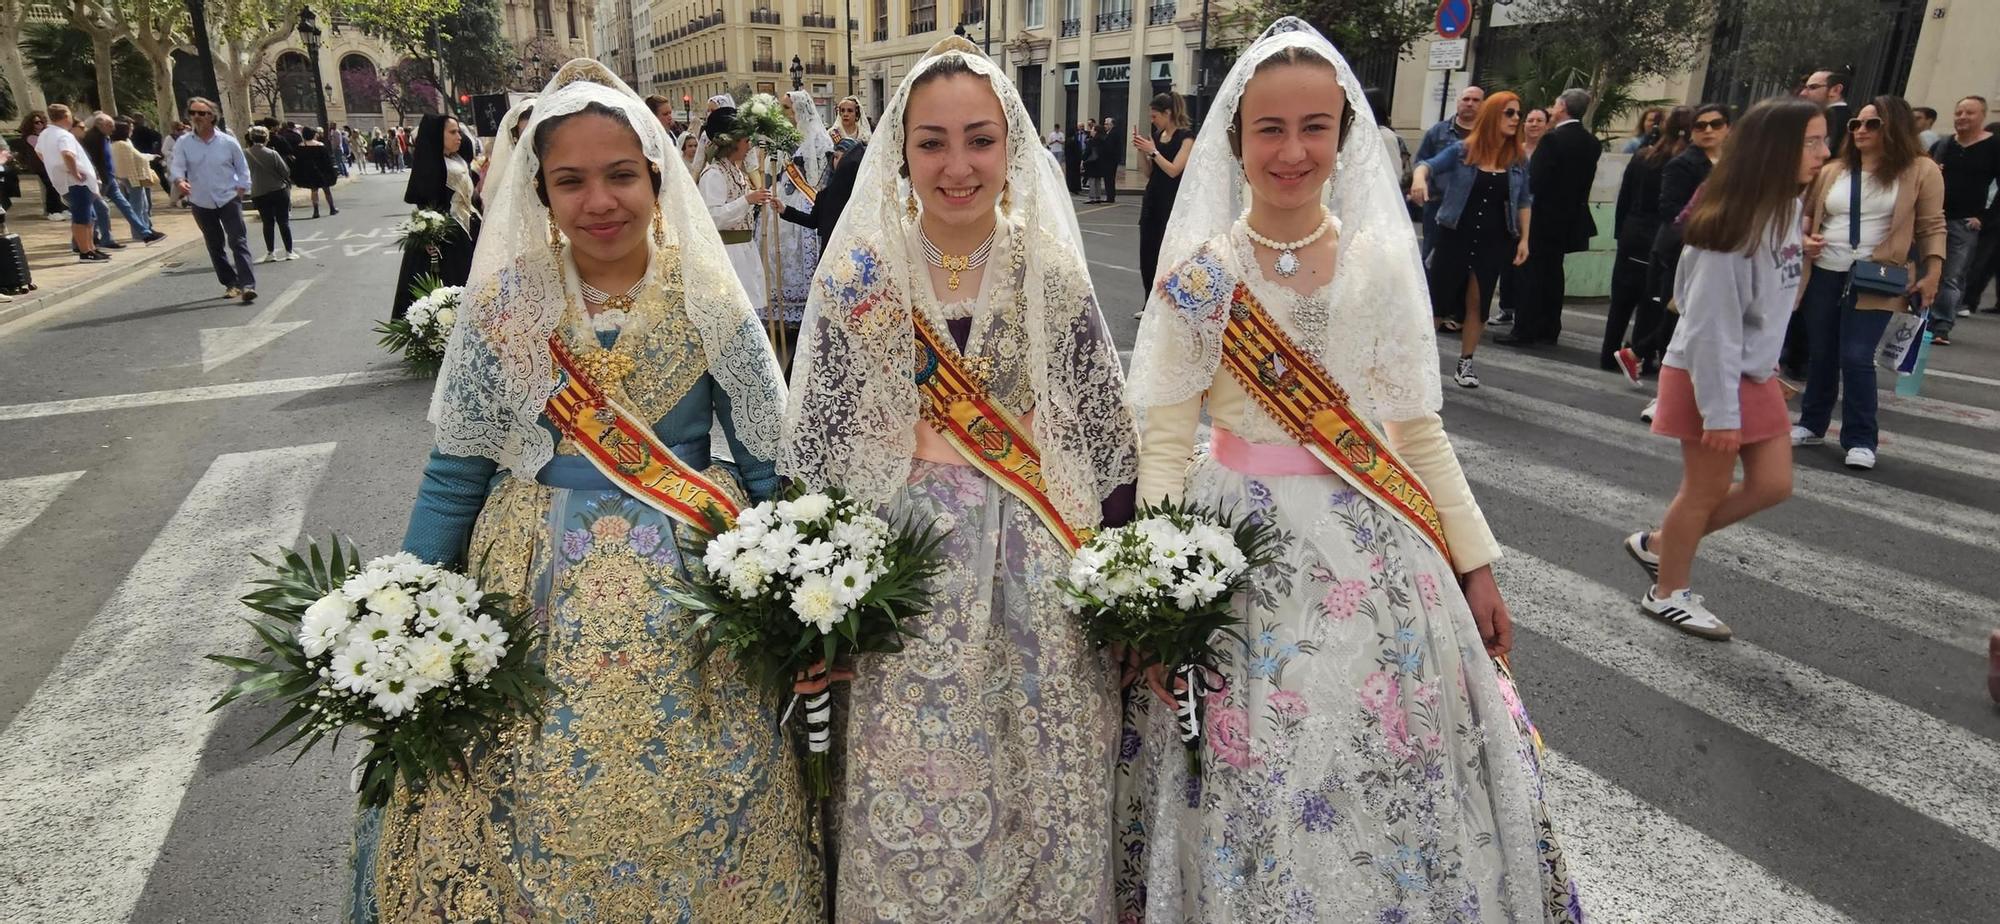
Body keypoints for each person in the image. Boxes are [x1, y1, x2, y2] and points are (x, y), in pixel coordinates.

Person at [1121, 18, 1581, 921]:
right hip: (1236, 554)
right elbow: (1167, 441)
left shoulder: (1377, 263)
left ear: (1345, 137)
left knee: (1382, 766)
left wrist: (1475, 562)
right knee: (1249, 768)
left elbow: (1417, 430)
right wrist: (1161, 587)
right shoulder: (1201, 276)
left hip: (1374, 556)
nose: (1293, 151)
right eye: (1270, 129)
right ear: (1236, 140)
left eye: (1315, 128)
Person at [349, 59, 819, 921]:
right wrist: (403, 612)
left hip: (693, 596)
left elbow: (764, 463)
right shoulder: (507, 305)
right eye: (572, 181)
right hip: (532, 591)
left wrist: (801, 600)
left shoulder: (710, 296)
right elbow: (458, 473)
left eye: (620, 176)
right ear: (541, 192)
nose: (599, 201)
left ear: (653, 176)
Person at [783, 34, 1138, 923]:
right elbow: (819, 453)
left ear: (1010, 147)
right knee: (915, 778)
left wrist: (1127, 589)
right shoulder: (859, 276)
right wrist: (816, 600)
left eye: (979, 140)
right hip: (904, 566)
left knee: (1040, 784)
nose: (957, 165)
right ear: (901, 150)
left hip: (1036, 561)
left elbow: (1105, 435)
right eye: (933, 142)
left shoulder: (1050, 269)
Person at [1632, 98, 1826, 643]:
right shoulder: (1726, 232)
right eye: (1812, 141)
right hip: (1708, 375)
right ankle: (1667, 590)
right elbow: (1707, 331)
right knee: (1705, 489)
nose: (1824, 152)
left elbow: (1772, 302)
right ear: (1775, 150)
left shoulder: (1785, 209)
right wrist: (1720, 413)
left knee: (1773, 484)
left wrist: (1768, 368)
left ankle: (1657, 545)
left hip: (1751, 372)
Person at [1791, 95, 1944, 470]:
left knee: (1857, 356)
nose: (1861, 130)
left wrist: (1933, 274)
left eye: (1872, 124)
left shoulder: (1921, 171)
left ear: (1895, 127)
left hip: (1878, 275)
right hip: (1825, 269)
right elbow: (1807, 216)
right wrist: (1805, 240)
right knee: (1821, 352)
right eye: (1855, 124)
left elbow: (1931, 225)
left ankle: (1861, 438)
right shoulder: (1834, 170)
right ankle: (1812, 423)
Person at [1412, 90, 1533, 388]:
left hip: (1495, 238)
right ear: (1493, 115)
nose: (1516, 119)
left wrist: (1524, 240)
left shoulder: (1517, 158)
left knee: (1477, 303)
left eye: (1518, 113)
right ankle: (1420, 364)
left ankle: (1465, 363)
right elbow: (1427, 164)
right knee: (1438, 301)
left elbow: (1523, 201)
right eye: (1510, 113)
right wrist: (1419, 179)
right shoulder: (1463, 151)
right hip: (1455, 233)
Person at [1626, 103, 1730, 404]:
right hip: (1682, 251)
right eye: (1701, 125)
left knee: (1686, 316)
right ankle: (1663, 390)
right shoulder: (1683, 164)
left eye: (1716, 123)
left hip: (1718, 255)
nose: (1708, 130)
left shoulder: (1733, 164)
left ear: (1728, 128)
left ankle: (1639, 353)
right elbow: (1671, 211)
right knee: (1680, 316)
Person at [1502, 87, 1600, 346]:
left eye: (1555, 105)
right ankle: (1549, 327)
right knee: (1554, 274)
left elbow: (1536, 181)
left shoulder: (1552, 140)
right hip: (1569, 218)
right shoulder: (1591, 143)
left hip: (1542, 218)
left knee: (1531, 273)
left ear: (1562, 107)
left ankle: (1524, 329)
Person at [1602, 106, 1692, 381]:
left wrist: (1620, 232)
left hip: (1633, 231)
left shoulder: (1643, 157)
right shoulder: (1685, 165)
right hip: (1661, 236)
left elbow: (1624, 197)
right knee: (1652, 299)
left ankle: (1609, 353)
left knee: (1621, 297)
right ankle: (1641, 356)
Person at [391, 113, 479, 319]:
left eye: (459, 131)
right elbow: (426, 199)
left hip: (469, 225)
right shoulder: (432, 165)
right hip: (446, 233)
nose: (459, 136)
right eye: (452, 132)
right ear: (437, 135)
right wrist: (431, 233)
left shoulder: (458, 158)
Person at [1924, 96, 1999, 339]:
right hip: (1934, 218)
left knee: (1953, 275)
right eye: (1959, 113)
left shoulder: (1994, 146)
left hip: (1965, 222)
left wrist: (1984, 218)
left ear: (1982, 116)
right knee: (1925, 270)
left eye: (1970, 113)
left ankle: (1942, 325)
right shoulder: (1943, 145)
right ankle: (1920, 320)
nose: (1963, 117)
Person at [697, 107, 779, 328]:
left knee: (747, 315)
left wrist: (760, 201)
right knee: (732, 316)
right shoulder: (714, 174)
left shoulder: (737, 172)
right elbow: (712, 218)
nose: (749, 145)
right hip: (728, 255)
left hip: (744, 251)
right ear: (732, 142)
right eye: (745, 140)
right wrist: (747, 201)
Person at [170, 97, 257, 300]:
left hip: (228, 197)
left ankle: (247, 285)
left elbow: (242, 167)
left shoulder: (228, 141)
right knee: (214, 244)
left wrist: (243, 188)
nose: (196, 117)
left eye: (202, 113)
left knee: (238, 240)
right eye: (192, 113)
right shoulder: (183, 143)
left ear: (212, 116)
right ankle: (230, 283)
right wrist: (179, 181)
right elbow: (177, 166)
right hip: (201, 200)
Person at [773, 88, 830, 330]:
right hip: (785, 199)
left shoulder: (819, 138)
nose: (783, 113)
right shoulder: (784, 136)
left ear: (799, 110)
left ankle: (806, 304)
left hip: (806, 201)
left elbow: (825, 176)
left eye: (786, 108)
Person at [1412, 83, 1484, 257]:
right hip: (1438, 205)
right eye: (1466, 99)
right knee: (1432, 256)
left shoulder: (1487, 136)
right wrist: (1421, 184)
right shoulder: (1437, 132)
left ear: (1484, 105)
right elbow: (1422, 161)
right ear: (1458, 103)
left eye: (1475, 100)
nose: (1469, 103)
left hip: (1474, 207)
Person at [1134, 90, 1193, 301]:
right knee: (1147, 255)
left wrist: (1154, 151)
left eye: (1154, 116)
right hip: (1152, 200)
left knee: (1166, 254)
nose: (1152, 121)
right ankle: (1148, 301)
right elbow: (1148, 172)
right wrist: (1142, 151)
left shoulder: (1186, 137)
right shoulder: (1157, 137)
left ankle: (1167, 302)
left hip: (1172, 203)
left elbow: (1174, 170)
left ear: (1167, 113)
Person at [37, 105, 111, 263]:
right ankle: (85, 251)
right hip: (76, 182)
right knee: (81, 217)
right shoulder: (64, 135)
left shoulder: (45, 134)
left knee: (90, 216)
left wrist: (52, 165)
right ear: (65, 116)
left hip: (66, 180)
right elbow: (67, 154)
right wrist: (74, 172)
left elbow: (40, 152)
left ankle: (91, 247)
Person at [84, 112, 162, 247]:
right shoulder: (93, 139)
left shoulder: (106, 138)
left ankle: (144, 233)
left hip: (110, 177)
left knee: (126, 206)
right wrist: (100, 178)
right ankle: (92, 239)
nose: (112, 128)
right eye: (109, 125)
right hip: (102, 179)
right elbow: (97, 161)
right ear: (100, 125)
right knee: (98, 210)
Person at [244, 126, 297, 262]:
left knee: (267, 223)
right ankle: (289, 251)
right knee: (283, 222)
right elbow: (285, 171)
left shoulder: (245, 154)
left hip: (258, 191)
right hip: (278, 189)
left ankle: (270, 252)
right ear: (266, 138)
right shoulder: (272, 154)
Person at [109, 118, 162, 245]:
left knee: (142, 204)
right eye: (130, 129)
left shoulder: (118, 143)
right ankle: (140, 232)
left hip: (127, 176)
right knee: (138, 205)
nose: (132, 131)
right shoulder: (123, 145)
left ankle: (146, 228)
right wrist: (152, 156)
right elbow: (138, 157)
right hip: (133, 177)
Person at [20, 112, 69, 221]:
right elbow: (44, 148)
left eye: (41, 121)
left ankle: (61, 208)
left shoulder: (44, 134)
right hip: (41, 167)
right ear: (31, 124)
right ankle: (53, 211)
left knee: (56, 187)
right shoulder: (31, 137)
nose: (40, 124)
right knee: (50, 187)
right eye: (36, 122)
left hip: (50, 165)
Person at [1801, 67, 1853, 154]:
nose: (1803, 93)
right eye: (1805, 88)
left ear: (1836, 90)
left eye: (1813, 87)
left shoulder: (1832, 120)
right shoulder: (1843, 117)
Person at [292, 126, 338, 218]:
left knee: (314, 191)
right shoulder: (320, 146)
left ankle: (316, 211)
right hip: (322, 171)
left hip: (310, 171)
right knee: (327, 190)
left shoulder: (300, 146)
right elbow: (327, 161)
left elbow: (298, 161)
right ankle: (332, 208)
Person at [1096, 115, 1123, 203]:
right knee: (1108, 179)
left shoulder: (1113, 133)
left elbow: (1110, 147)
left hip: (1110, 160)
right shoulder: (1109, 133)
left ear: (1112, 125)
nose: (1105, 126)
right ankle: (1110, 196)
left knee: (1109, 178)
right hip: (1109, 160)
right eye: (1104, 124)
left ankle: (1110, 197)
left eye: (1107, 124)